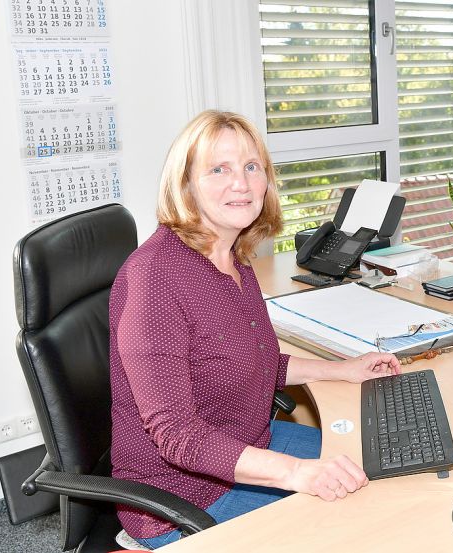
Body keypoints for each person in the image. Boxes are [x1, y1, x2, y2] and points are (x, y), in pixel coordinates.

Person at [108, 110, 401, 549]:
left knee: (379, 462)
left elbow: (257, 361)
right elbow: (178, 437)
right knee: (358, 526)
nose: (240, 184)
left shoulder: (233, 257)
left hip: (249, 442)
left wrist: (343, 369)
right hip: (182, 497)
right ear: (186, 184)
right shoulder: (154, 279)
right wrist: (296, 473)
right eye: (218, 169)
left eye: (251, 167)